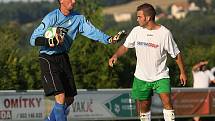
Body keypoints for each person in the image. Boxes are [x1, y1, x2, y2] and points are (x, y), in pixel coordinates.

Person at [29, 0, 122, 121]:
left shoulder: (78, 18)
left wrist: (109, 39)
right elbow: (32, 39)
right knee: (60, 96)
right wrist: (50, 41)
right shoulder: (51, 17)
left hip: (63, 57)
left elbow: (92, 32)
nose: (73, 1)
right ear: (61, 1)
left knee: (69, 99)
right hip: (48, 57)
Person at [109, 3, 187, 121]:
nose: (137, 19)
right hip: (141, 77)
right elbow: (125, 47)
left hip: (161, 75)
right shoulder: (136, 31)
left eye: (139, 17)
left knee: (167, 101)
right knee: (144, 106)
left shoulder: (165, 33)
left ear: (148, 18)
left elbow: (176, 54)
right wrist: (115, 55)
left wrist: (183, 72)